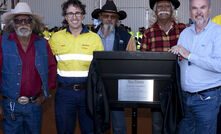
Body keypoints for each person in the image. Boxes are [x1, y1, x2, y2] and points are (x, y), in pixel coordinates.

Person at [0, 2, 57, 134]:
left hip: (34, 106)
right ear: (13, 23)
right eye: (19, 20)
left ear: (33, 23)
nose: (23, 23)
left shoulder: (42, 43)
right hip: (10, 106)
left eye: (27, 20)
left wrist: (45, 94)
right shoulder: (3, 42)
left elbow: (52, 68)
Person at [48, 0, 104, 134]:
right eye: (70, 13)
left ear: (83, 15)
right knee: (64, 130)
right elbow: (48, 64)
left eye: (78, 13)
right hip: (64, 94)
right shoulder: (55, 38)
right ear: (65, 16)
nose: (74, 17)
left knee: (90, 130)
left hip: (88, 93)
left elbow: (100, 68)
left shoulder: (95, 38)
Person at [169, 0, 221, 133]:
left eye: (202, 8)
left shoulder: (218, 33)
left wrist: (189, 55)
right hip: (185, 99)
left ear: (209, 9)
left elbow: (219, 65)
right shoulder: (185, 33)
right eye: (194, 8)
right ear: (190, 11)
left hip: (207, 100)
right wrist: (176, 53)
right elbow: (181, 61)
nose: (198, 12)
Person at [140, 0, 186, 133]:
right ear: (155, 11)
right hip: (157, 88)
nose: (163, 9)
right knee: (157, 125)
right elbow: (143, 61)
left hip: (180, 87)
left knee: (178, 124)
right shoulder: (148, 33)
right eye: (160, 6)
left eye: (167, 6)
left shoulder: (183, 30)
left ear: (172, 10)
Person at [91, 0, 136, 133]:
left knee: (119, 124)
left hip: (118, 86)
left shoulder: (127, 38)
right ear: (100, 17)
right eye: (106, 16)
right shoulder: (89, 36)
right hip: (95, 85)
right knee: (96, 122)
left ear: (117, 19)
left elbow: (132, 64)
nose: (109, 19)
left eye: (113, 16)